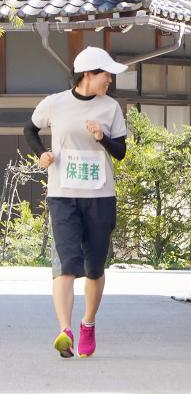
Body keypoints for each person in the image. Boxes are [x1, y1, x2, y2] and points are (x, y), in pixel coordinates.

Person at [23, 46, 128, 358]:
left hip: (100, 196)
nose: (109, 79)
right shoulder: (55, 103)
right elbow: (30, 128)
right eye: (104, 74)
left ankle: (88, 323)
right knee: (66, 264)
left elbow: (120, 152)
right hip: (62, 194)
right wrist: (41, 154)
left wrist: (101, 138)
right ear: (87, 75)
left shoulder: (111, 108)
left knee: (94, 268)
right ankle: (65, 330)